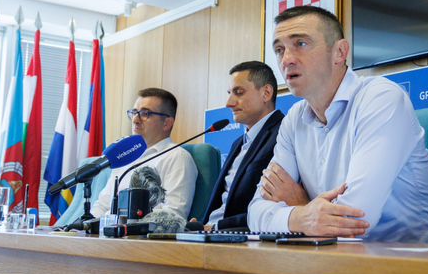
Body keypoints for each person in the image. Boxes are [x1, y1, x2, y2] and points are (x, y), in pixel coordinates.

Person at [248, 5, 428, 241]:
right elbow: (255, 212)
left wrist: (301, 209)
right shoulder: (294, 119)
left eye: (301, 44)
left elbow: (355, 219)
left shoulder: (380, 99)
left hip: (407, 257)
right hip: (328, 256)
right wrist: (304, 216)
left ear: (339, 52)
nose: (286, 59)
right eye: (279, 50)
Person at [91, 88, 197, 221]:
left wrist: (114, 221)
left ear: (166, 123)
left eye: (145, 113)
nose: (135, 120)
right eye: (134, 113)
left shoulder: (177, 157)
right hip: (107, 230)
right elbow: (102, 206)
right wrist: (85, 226)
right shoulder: (125, 156)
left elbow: (172, 215)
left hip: (138, 233)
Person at [202, 61, 284, 230]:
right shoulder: (238, 143)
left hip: (239, 236)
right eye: (229, 93)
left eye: (239, 93)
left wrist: (217, 227)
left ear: (266, 93)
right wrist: (200, 226)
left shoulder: (284, 134)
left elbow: (276, 208)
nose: (229, 103)